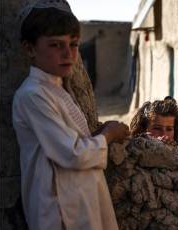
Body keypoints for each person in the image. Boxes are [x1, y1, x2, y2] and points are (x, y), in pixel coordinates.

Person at [12, 1, 130, 229]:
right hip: (59, 208)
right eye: (56, 45)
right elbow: (73, 154)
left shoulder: (57, 88)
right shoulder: (33, 95)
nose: (68, 53)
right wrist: (108, 134)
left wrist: (97, 133)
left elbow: (70, 141)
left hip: (79, 200)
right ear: (29, 49)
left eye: (74, 44)